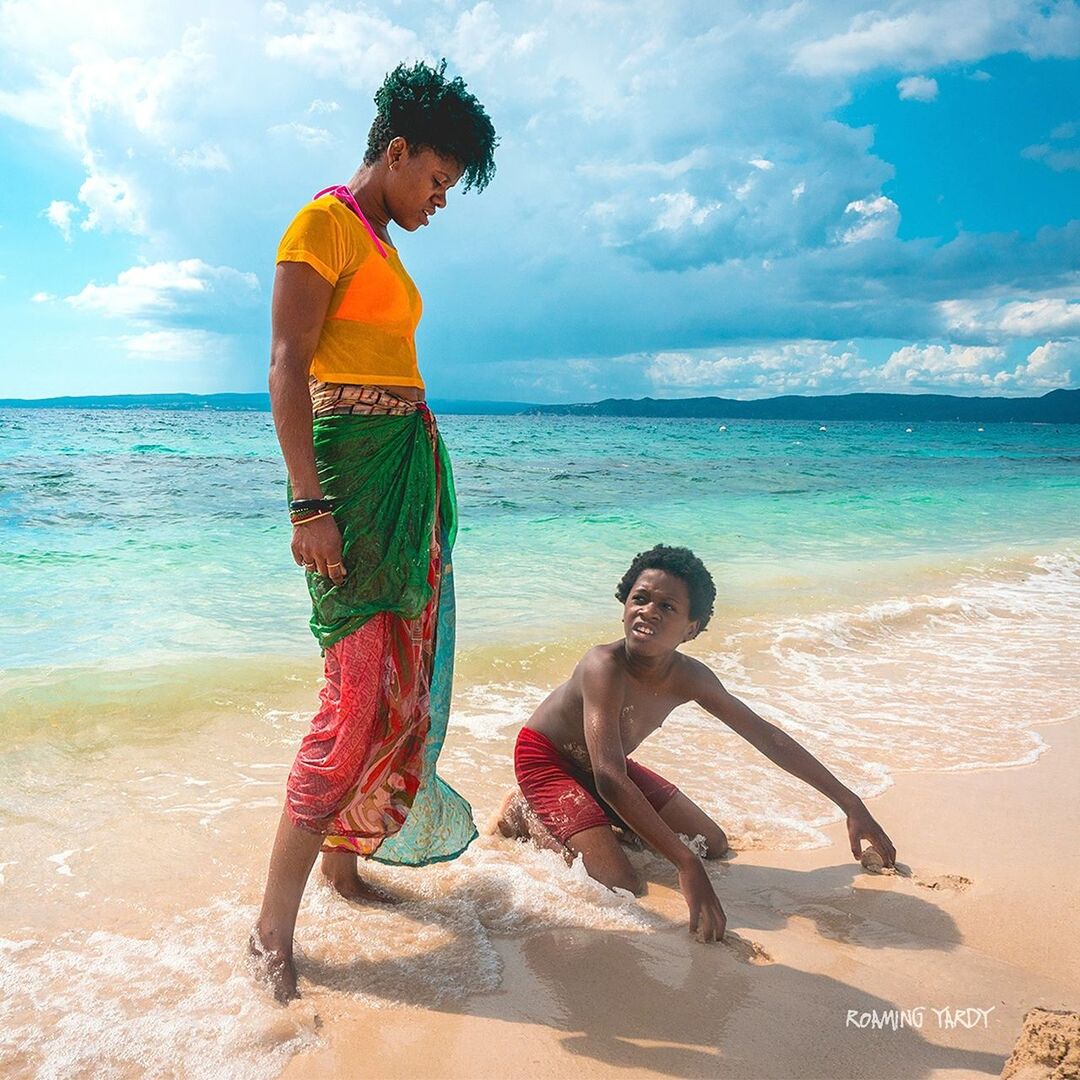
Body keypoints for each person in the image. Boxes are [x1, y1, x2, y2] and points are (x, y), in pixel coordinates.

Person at [252, 60, 497, 1002]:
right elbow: (286, 366)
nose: (439, 200)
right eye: (435, 180)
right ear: (395, 151)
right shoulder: (322, 225)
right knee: (351, 701)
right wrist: (307, 503)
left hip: (404, 486)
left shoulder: (381, 246)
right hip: (350, 493)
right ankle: (272, 926)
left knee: (400, 691)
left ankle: (345, 870)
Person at [494, 544, 896, 943]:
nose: (648, 611)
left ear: (692, 628)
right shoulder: (603, 666)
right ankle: (525, 811)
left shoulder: (691, 678)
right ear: (623, 605)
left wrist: (850, 802)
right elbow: (611, 780)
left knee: (712, 844)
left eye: (667, 607)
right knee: (620, 885)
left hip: (603, 764)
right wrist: (684, 864)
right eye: (640, 598)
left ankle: (590, 817)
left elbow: (767, 737)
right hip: (547, 760)